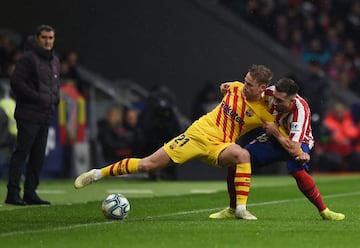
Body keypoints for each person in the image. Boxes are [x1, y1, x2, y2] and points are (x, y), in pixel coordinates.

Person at [75, 64, 293, 220]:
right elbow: (224, 87)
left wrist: (287, 140)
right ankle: (97, 174)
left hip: (221, 145)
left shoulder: (266, 112)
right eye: (245, 82)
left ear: (263, 87)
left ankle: (240, 209)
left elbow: (280, 131)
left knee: (242, 155)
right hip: (196, 135)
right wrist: (227, 87)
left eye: (250, 85)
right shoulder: (235, 87)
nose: (245, 87)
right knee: (147, 164)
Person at [209, 78, 345, 221]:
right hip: (275, 136)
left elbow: (293, 149)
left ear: (292, 100)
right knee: (237, 160)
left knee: (296, 168)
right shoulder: (271, 92)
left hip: (298, 142)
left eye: (279, 101)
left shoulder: (301, 111)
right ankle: (232, 209)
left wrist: (275, 133)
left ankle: (324, 211)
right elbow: (252, 92)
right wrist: (232, 86)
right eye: (274, 98)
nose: (274, 103)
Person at [5, 25, 60, 205]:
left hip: (45, 114)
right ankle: (13, 193)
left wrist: (55, 98)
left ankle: (30, 192)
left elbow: (52, 85)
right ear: (37, 38)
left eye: (50, 38)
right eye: (44, 37)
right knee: (21, 153)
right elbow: (16, 83)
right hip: (28, 114)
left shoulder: (54, 61)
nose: (47, 41)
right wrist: (40, 98)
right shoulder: (28, 58)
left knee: (37, 156)